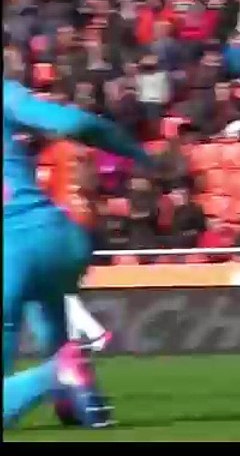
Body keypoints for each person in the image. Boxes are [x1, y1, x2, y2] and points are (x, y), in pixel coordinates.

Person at [4, 78, 150, 429]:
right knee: (49, 302)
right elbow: (75, 123)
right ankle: (79, 401)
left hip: (10, 250)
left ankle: (60, 373)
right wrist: (137, 152)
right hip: (60, 236)